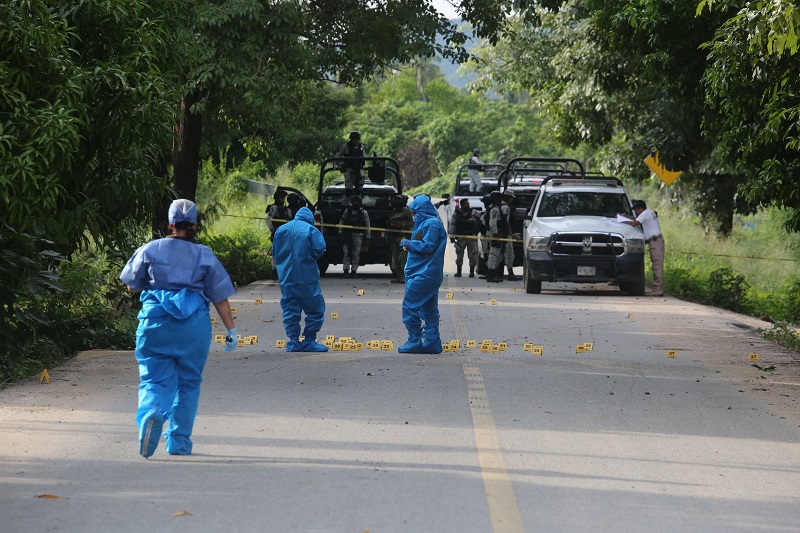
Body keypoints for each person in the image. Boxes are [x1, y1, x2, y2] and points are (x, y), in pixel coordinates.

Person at [120, 199, 237, 459]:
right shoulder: (204, 255)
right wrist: (231, 330)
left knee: (154, 379)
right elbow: (220, 297)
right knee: (188, 384)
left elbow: (132, 285)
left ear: (170, 224)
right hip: (192, 327)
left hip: (155, 323)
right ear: (194, 225)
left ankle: (152, 412)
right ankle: (178, 442)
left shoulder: (149, 249)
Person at [272, 206, 329, 352]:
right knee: (315, 308)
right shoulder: (311, 230)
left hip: (286, 276)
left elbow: (275, 251)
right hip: (306, 276)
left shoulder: (281, 229)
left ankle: (293, 341)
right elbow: (320, 249)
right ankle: (309, 340)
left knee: (290, 307)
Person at [398, 195, 448, 354]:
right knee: (429, 308)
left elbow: (428, 246)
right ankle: (433, 342)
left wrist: (410, 244)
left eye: (415, 213)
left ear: (422, 211)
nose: (413, 216)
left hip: (424, 274)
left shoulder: (431, 224)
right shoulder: (426, 223)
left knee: (410, 306)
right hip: (425, 272)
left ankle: (414, 340)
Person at [620, 199, 665, 296]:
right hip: (655, 241)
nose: (636, 212)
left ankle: (658, 290)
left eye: (636, 210)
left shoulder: (645, 213)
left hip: (655, 241)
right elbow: (635, 219)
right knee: (657, 265)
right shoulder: (648, 212)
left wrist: (622, 220)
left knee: (657, 266)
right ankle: (657, 289)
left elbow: (634, 223)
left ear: (641, 209)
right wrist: (625, 216)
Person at [338, 195, 371, 278]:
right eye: (354, 201)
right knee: (346, 253)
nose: (356, 203)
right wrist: (340, 232)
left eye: (358, 202)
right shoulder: (347, 211)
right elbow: (341, 222)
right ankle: (346, 270)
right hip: (347, 235)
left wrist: (367, 237)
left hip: (358, 235)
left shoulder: (363, 213)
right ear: (352, 202)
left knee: (356, 253)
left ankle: (354, 270)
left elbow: (367, 225)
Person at [449, 198, 479, 278]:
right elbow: (452, 224)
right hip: (460, 237)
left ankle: (472, 272)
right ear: (462, 205)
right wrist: (451, 235)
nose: (468, 205)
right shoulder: (457, 213)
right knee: (459, 254)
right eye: (466, 204)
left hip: (471, 236)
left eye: (468, 204)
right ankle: (459, 272)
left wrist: (478, 217)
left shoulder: (472, 212)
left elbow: (481, 216)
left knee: (472, 254)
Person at [387, 194, 414, 283]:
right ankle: (398, 276)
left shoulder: (406, 211)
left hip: (403, 238)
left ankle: (404, 277)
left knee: (403, 258)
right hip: (393, 238)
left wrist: (402, 225)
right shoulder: (393, 212)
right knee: (396, 259)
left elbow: (412, 224)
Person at [266, 189, 292, 280]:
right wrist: (272, 230)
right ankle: (274, 272)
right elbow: (268, 219)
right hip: (277, 234)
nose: (283, 199)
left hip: (285, 235)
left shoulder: (287, 209)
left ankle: (284, 272)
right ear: (277, 198)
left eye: (284, 197)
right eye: (281, 197)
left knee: (285, 253)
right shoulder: (274, 207)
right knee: (275, 253)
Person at [336, 131, 366, 199]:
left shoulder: (361, 147)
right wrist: (339, 166)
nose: (356, 141)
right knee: (348, 190)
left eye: (357, 139)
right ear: (351, 139)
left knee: (359, 189)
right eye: (354, 139)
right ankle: (346, 204)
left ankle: (358, 201)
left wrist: (361, 167)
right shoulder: (346, 146)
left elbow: (363, 158)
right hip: (348, 168)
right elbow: (337, 156)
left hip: (358, 169)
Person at [484, 191, 505, 283]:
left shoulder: (491, 208)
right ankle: (491, 275)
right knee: (493, 255)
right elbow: (492, 223)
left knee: (496, 255)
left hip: (493, 234)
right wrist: (495, 235)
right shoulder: (495, 209)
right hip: (494, 234)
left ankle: (493, 274)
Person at [501, 189, 519, 281]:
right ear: (509, 198)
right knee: (509, 254)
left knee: (498, 254)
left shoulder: (499, 205)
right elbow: (506, 223)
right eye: (512, 198)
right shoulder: (506, 208)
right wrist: (511, 234)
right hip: (505, 235)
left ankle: (496, 273)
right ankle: (510, 273)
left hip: (499, 234)